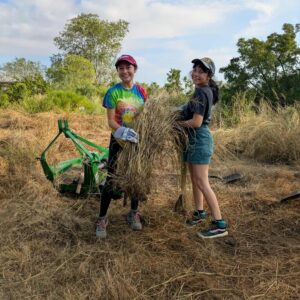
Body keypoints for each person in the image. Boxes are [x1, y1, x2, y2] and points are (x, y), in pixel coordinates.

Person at [96, 54, 147, 239]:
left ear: (135, 69)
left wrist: (140, 135)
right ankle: (102, 218)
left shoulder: (141, 92)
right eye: (121, 68)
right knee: (111, 179)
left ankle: (133, 212)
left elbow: (144, 117)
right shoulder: (113, 92)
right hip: (118, 141)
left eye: (128, 67)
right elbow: (110, 121)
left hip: (136, 144)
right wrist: (124, 132)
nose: (125, 71)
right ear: (117, 71)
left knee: (135, 176)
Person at [178, 57, 228, 239]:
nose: (197, 74)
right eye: (195, 70)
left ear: (208, 75)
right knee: (196, 180)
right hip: (193, 140)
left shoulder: (202, 92)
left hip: (199, 139)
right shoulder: (201, 91)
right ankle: (199, 213)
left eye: (202, 71)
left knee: (202, 182)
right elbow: (185, 110)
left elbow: (196, 122)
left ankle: (219, 224)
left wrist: (177, 124)